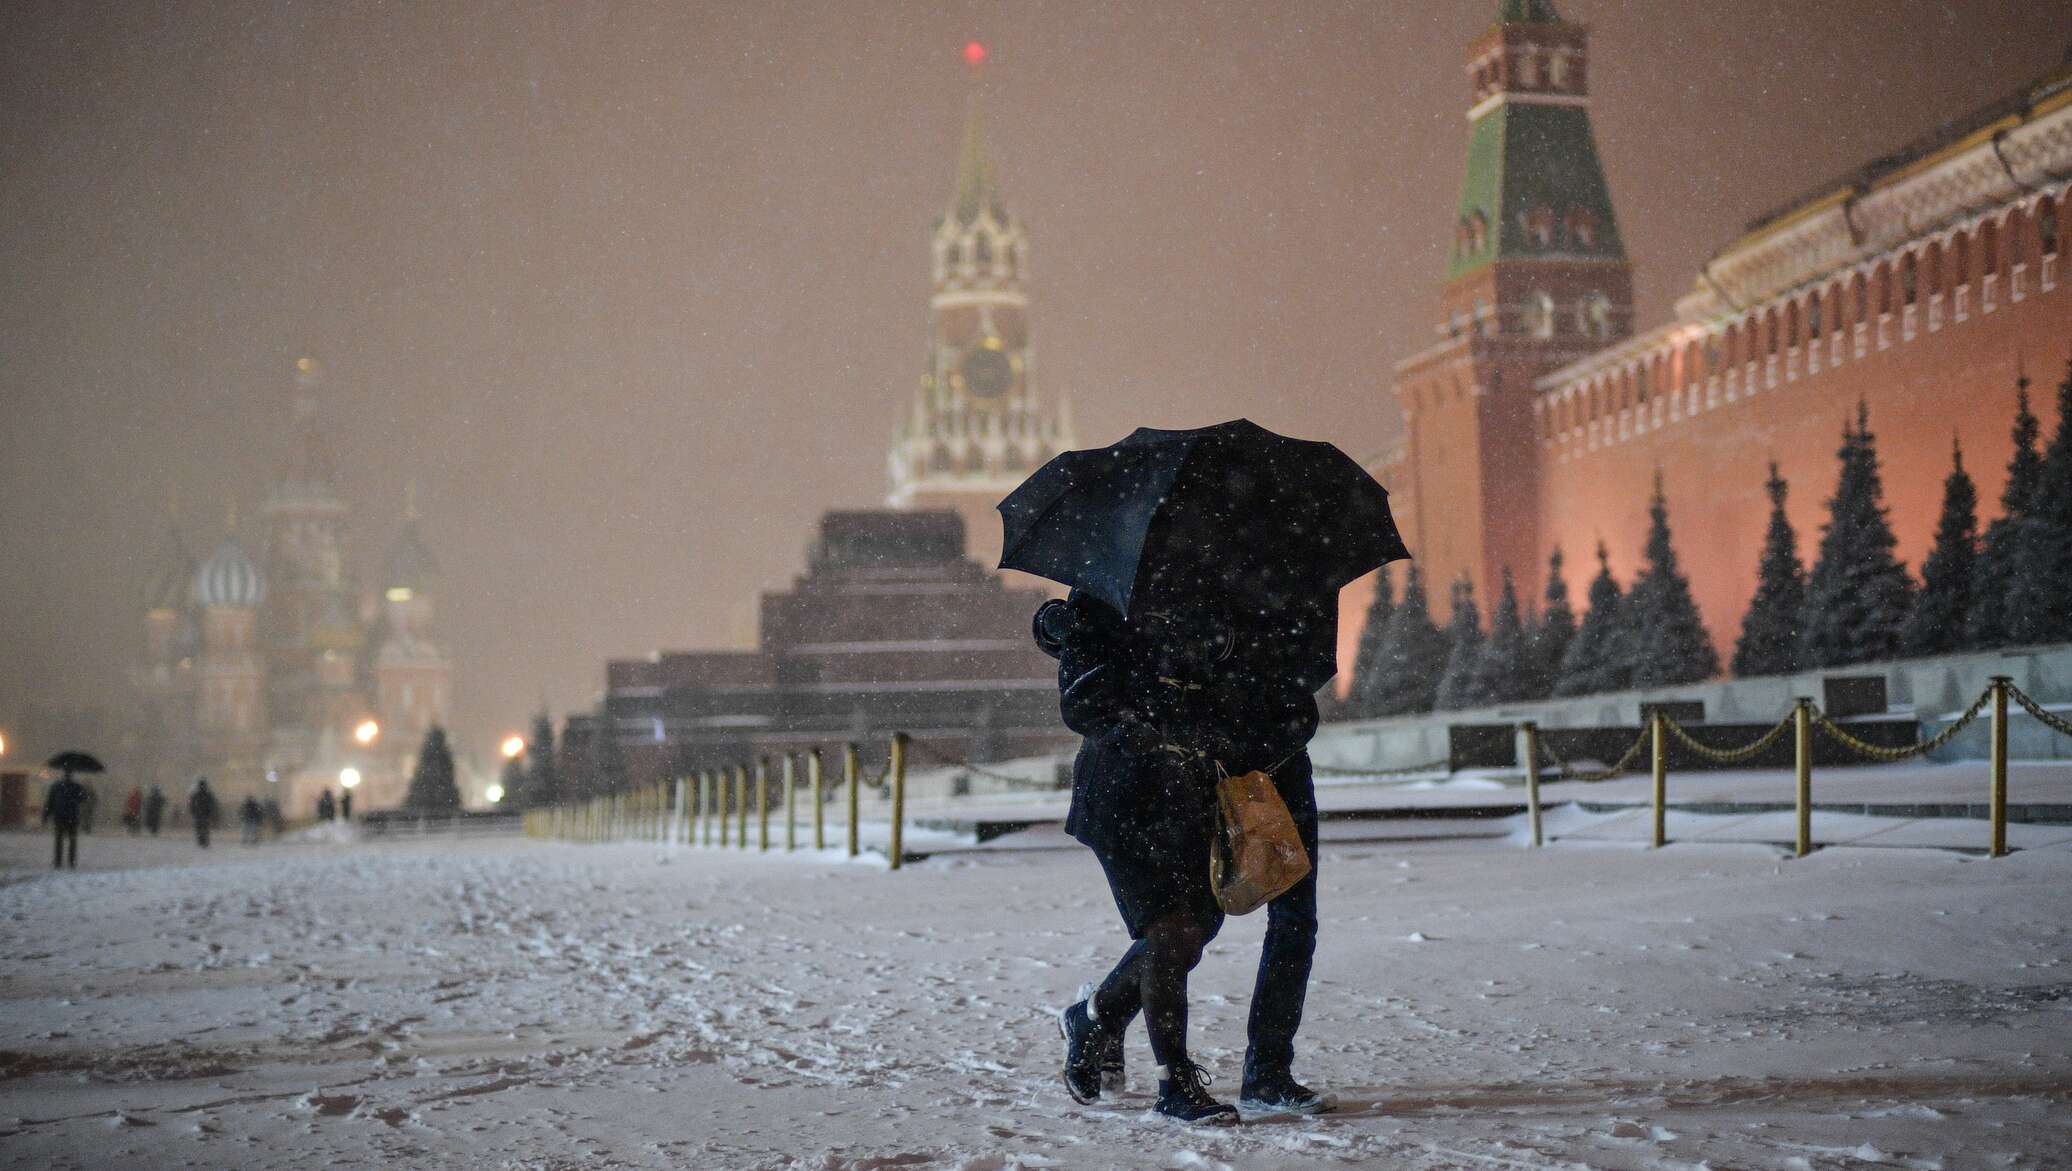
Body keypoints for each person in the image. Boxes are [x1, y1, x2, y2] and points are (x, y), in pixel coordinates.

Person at [1036, 589, 1330, 1124]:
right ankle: (1169, 1079)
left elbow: (1304, 669)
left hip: (1218, 772)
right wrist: (1062, 626)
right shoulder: (1145, 582)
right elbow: (1088, 693)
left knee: (1209, 926)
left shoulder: (1276, 572)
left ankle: (1101, 1017)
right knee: (1180, 931)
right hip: (1137, 790)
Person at [41, 773, 92, 869]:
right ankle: (71, 862)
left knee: (59, 840)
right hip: (72, 817)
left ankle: (58, 861)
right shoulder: (76, 787)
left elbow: (50, 802)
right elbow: (84, 798)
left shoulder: (56, 786)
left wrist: (45, 816)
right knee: (72, 841)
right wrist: (76, 798)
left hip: (59, 816)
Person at [189, 778, 218, 848]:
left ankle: (201, 841)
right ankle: (205, 841)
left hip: (199, 814)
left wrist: (193, 811)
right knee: (205, 828)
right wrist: (211, 812)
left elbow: (192, 804)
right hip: (205, 814)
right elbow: (212, 804)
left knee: (199, 828)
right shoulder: (208, 794)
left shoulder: (196, 794)